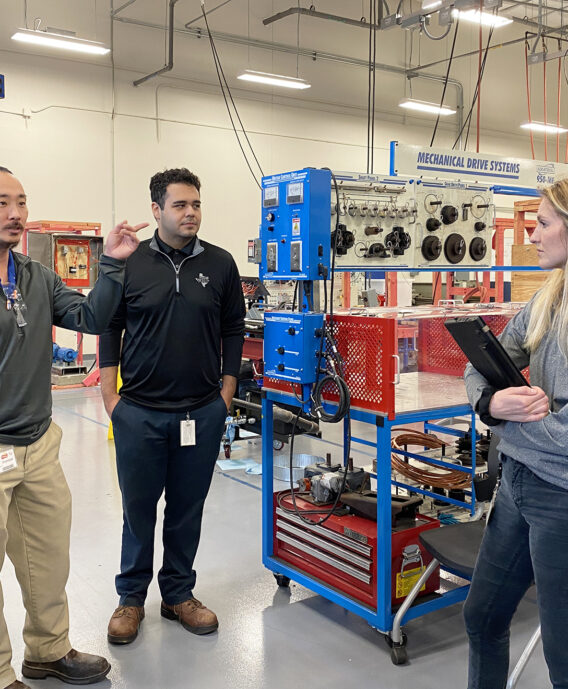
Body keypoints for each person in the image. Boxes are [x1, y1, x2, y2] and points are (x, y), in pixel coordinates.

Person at [0, 166, 147, 689]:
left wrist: (112, 264)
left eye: (21, 202)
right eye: (2, 203)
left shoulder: (36, 276)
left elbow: (91, 318)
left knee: (47, 556)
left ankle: (47, 651)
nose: (15, 213)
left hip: (38, 441)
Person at [99, 167, 245, 645]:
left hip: (200, 412)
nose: (190, 213)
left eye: (196, 204)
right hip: (139, 411)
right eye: (180, 205)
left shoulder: (221, 264)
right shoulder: (131, 262)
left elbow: (233, 329)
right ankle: (131, 598)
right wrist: (110, 397)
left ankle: (179, 594)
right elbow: (109, 327)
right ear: (156, 210)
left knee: (187, 508)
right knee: (138, 511)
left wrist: (225, 395)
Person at [463, 178, 568, 689]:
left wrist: (502, 423)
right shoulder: (549, 298)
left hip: (561, 500)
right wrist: (490, 402)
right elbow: (478, 364)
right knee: (482, 619)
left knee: (563, 659)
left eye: (543, 223)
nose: (533, 234)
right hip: (517, 486)